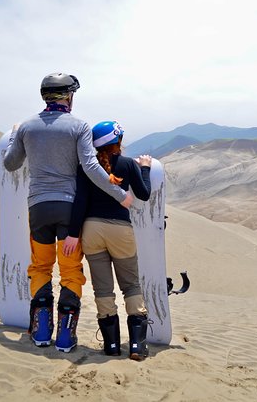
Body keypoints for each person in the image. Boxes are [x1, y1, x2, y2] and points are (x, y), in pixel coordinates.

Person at [3, 73, 133, 353]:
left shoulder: (27, 127)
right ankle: (64, 338)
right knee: (70, 271)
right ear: (69, 97)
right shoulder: (79, 127)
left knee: (40, 267)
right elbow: (91, 167)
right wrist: (120, 195)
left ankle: (40, 332)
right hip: (68, 209)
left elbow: (11, 164)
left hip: (38, 209)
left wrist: (15, 135)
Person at [63, 120, 152, 360]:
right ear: (118, 141)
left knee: (103, 289)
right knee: (131, 285)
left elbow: (79, 201)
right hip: (120, 230)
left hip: (91, 231)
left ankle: (111, 346)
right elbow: (144, 194)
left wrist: (73, 233)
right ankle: (136, 346)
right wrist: (144, 168)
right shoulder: (127, 164)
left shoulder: (86, 168)